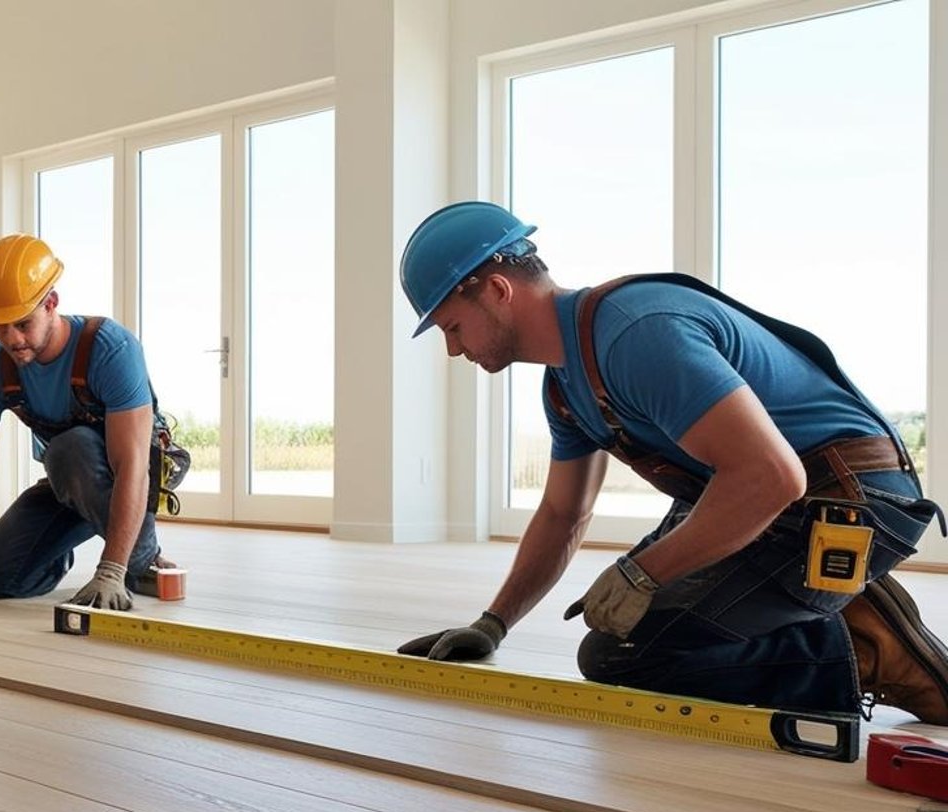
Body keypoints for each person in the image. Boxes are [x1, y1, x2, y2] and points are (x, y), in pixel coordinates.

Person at [395, 200, 948, 724]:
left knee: (622, 654)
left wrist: (645, 571)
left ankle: (870, 648)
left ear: (496, 290)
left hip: (851, 501)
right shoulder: (565, 386)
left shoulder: (636, 335)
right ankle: (825, 606)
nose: (453, 349)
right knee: (630, 619)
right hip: (774, 502)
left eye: (452, 327)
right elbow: (563, 513)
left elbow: (773, 476)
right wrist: (494, 625)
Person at [0, 234, 175, 611]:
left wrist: (112, 568)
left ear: (51, 303)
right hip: (68, 478)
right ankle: (76, 535)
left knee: (70, 449)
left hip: (129, 471)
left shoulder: (110, 349)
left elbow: (133, 465)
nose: (12, 339)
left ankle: (140, 555)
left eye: (22, 323)